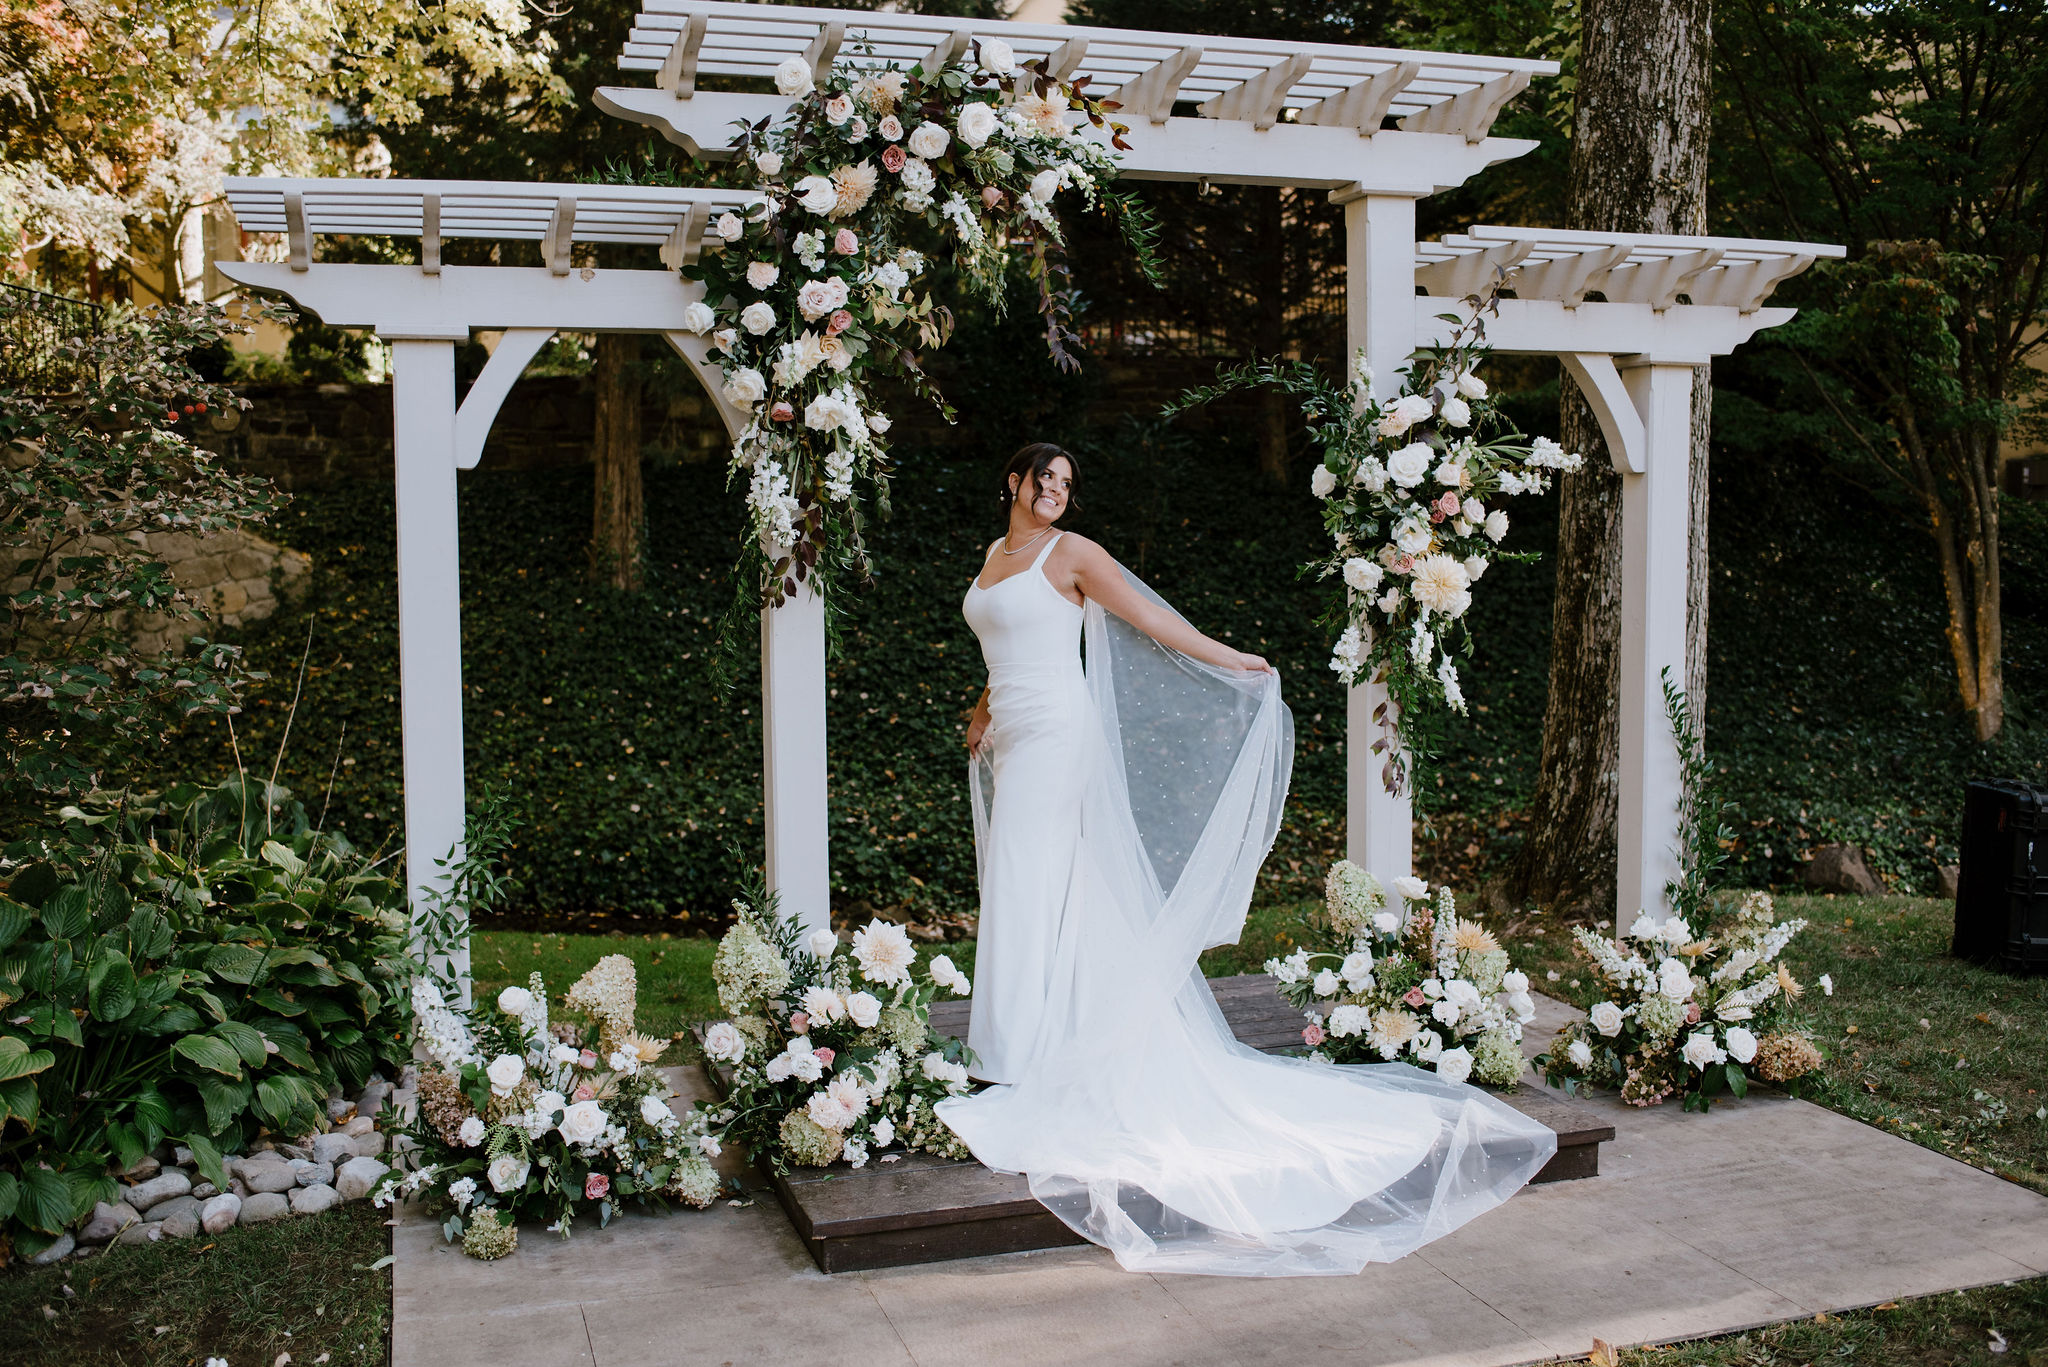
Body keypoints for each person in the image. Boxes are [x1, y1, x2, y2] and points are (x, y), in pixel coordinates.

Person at [934, 441, 1556, 1278]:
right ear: (1013, 481)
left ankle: (1023, 1055)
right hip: (1014, 730)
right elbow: (1005, 644)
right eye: (1044, 479)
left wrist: (1230, 660)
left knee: (1031, 876)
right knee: (1029, 882)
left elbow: (1149, 618)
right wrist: (982, 710)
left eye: (1067, 484)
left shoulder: (1072, 553)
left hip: (1056, 733)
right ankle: (1022, 1043)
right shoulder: (995, 554)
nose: (1055, 492)